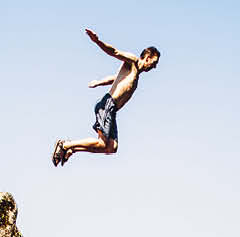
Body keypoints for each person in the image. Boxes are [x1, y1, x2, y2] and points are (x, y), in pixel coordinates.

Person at [52, 29, 160, 166]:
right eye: (154, 62)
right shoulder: (132, 61)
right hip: (108, 104)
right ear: (147, 57)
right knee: (102, 142)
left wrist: (98, 82)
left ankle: (71, 149)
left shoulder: (135, 75)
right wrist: (97, 41)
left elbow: (115, 79)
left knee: (111, 147)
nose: (154, 67)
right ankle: (65, 145)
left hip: (112, 110)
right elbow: (114, 51)